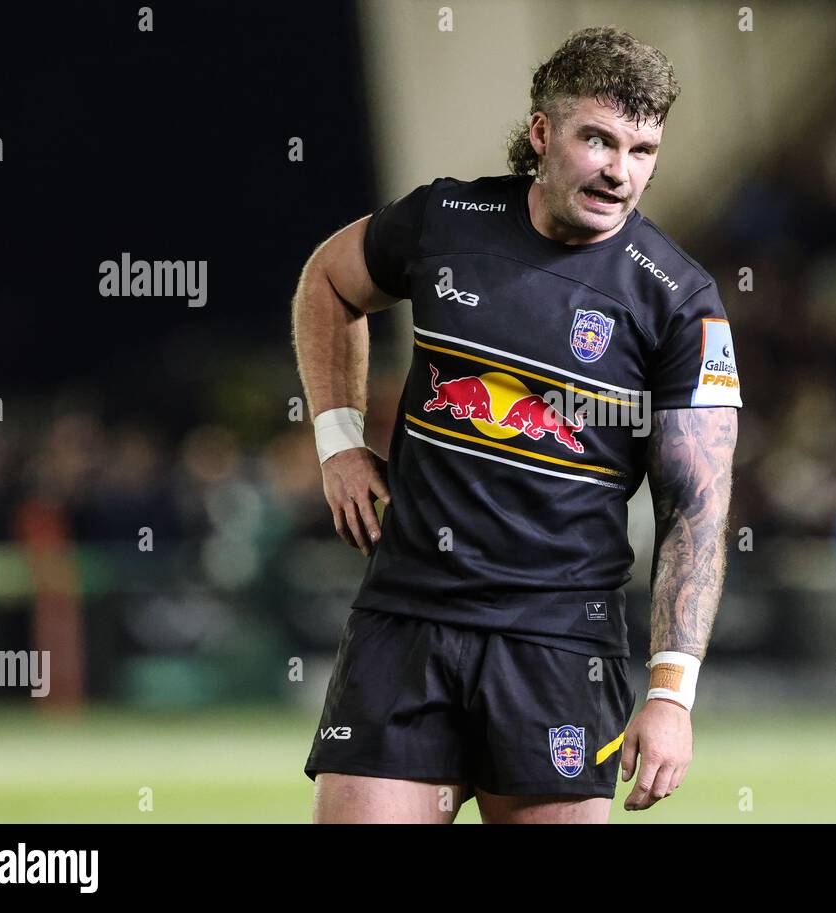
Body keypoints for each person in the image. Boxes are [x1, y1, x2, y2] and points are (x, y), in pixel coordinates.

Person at [292, 26, 741, 823]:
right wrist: (338, 441)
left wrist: (673, 693)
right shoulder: (445, 219)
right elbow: (329, 280)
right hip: (407, 618)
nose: (619, 171)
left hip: (557, 646)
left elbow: (697, 511)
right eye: (597, 139)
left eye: (642, 150)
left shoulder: (680, 299)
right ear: (541, 133)